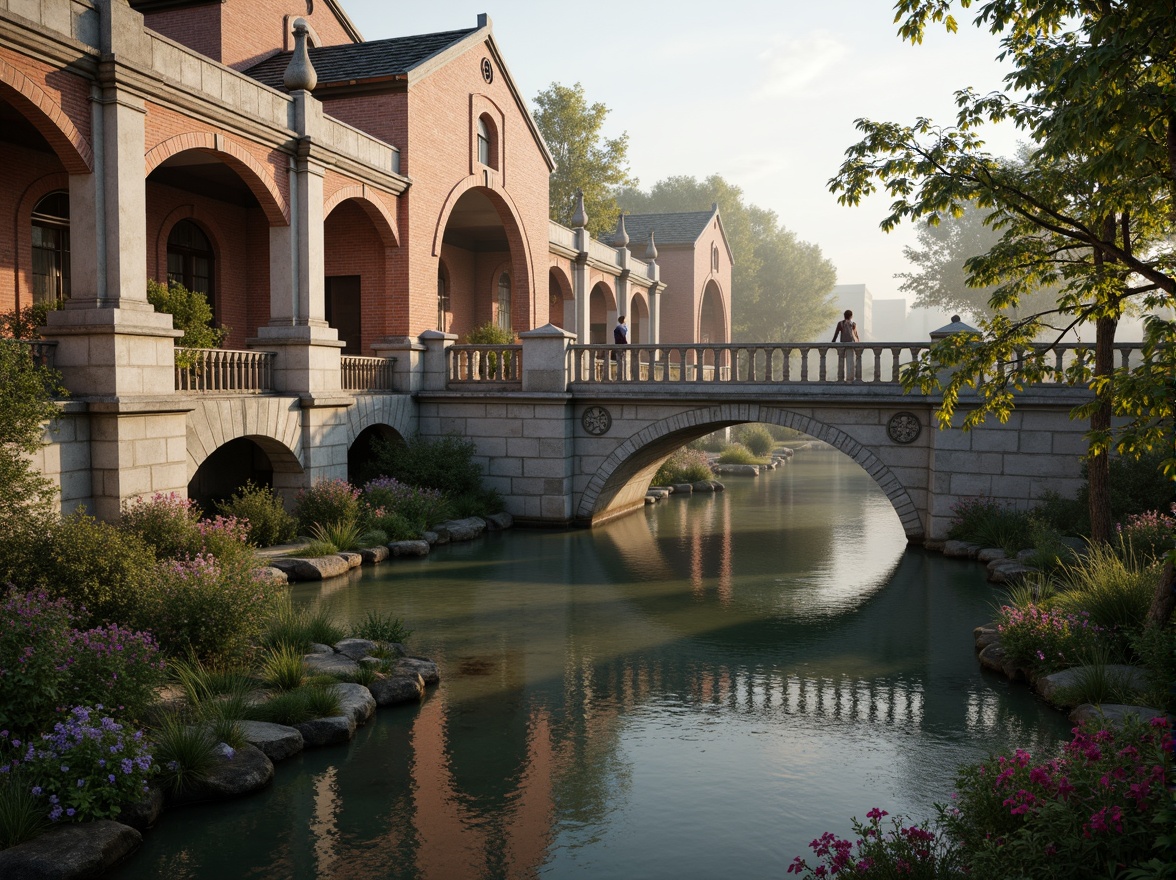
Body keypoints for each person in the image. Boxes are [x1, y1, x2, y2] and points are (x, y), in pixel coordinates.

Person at [831, 309, 859, 381]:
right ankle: (850, 378)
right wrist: (858, 343)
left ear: (844, 316)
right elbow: (856, 335)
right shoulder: (853, 324)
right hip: (851, 343)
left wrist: (832, 342)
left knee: (841, 360)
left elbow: (836, 334)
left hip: (843, 343)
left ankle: (841, 378)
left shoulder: (840, 323)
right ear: (851, 316)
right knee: (851, 361)